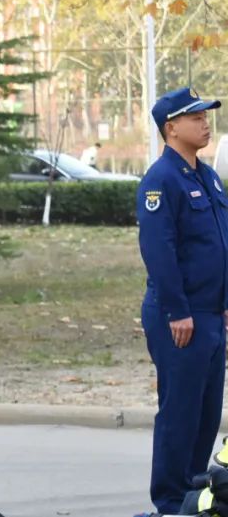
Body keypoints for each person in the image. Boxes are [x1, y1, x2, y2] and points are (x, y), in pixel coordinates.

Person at [138, 86, 228, 515]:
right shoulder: (161, 180)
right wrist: (177, 311)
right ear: (171, 127)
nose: (205, 124)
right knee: (180, 412)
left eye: (206, 116)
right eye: (196, 118)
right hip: (180, 317)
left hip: (211, 315)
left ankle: (193, 499)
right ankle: (171, 502)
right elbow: (159, 250)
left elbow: (218, 243)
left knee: (206, 414)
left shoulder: (206, 177)